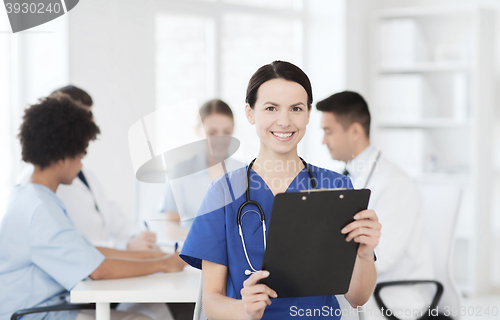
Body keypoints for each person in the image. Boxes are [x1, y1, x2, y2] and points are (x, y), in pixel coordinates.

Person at [179, 61, 381, 320]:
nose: (284, 121)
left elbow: (357, 297)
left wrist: (364, 254)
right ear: (250, 113)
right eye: (271, 108)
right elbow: (211, 301)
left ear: (308, 114)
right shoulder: (223, 192)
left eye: (296, 109)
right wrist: (245, 309)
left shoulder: (336, 187)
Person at [0, 94, 185, 320]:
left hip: (47, 306)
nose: (81, 164)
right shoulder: (41, 210)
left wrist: (151, 257)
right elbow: (98, 270)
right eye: (81, 154)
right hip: (36, 313)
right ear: (62, 157)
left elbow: (89, 253)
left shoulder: (34, 198)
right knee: (142, 318)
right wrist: (165, 264)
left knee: (146, 312)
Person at [316, 91, 433, 319]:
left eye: (328, 131)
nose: (323, 141)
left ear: (356, 131)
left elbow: (383, 257)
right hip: (362, 284)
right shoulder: (342, 178)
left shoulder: (394, 183)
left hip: (394, 292)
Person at [17, 85, 157, 251]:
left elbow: (110, 214)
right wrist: (126, 247)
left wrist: (138, 236)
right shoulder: (37, 188)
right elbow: (70, 248)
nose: (89, 125)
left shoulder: (85, 174)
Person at [159, 99, 244, 239]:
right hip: (192, 249)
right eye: (212, 132)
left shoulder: (244, 171)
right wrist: (201, 237)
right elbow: (170, 226)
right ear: (198, 130)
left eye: (227, 132)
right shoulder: (181, 171)